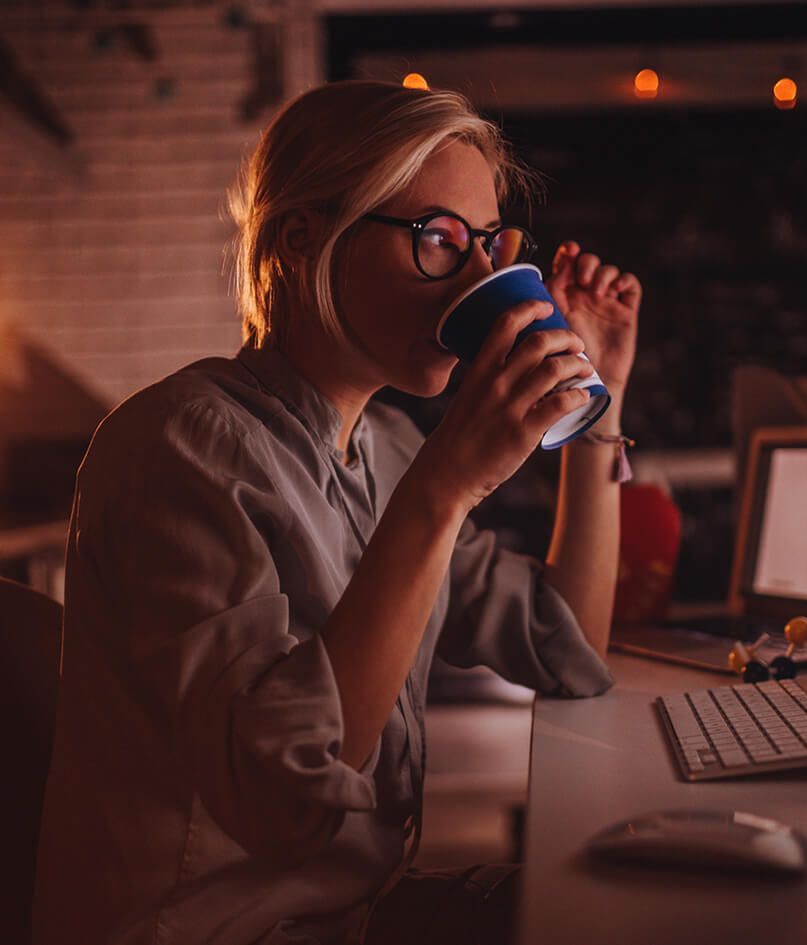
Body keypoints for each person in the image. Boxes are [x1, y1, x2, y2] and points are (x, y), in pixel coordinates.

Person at [31, 80, 641, 945]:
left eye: (489, 246)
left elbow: (569, 644)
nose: (479, 279)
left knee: (639, 905)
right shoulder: (179, 446)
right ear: (300, 242)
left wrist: (598, 413)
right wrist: (447, 487)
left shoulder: (386, 447)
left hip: (352, 915)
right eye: (438, 239)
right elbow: (285, 794)